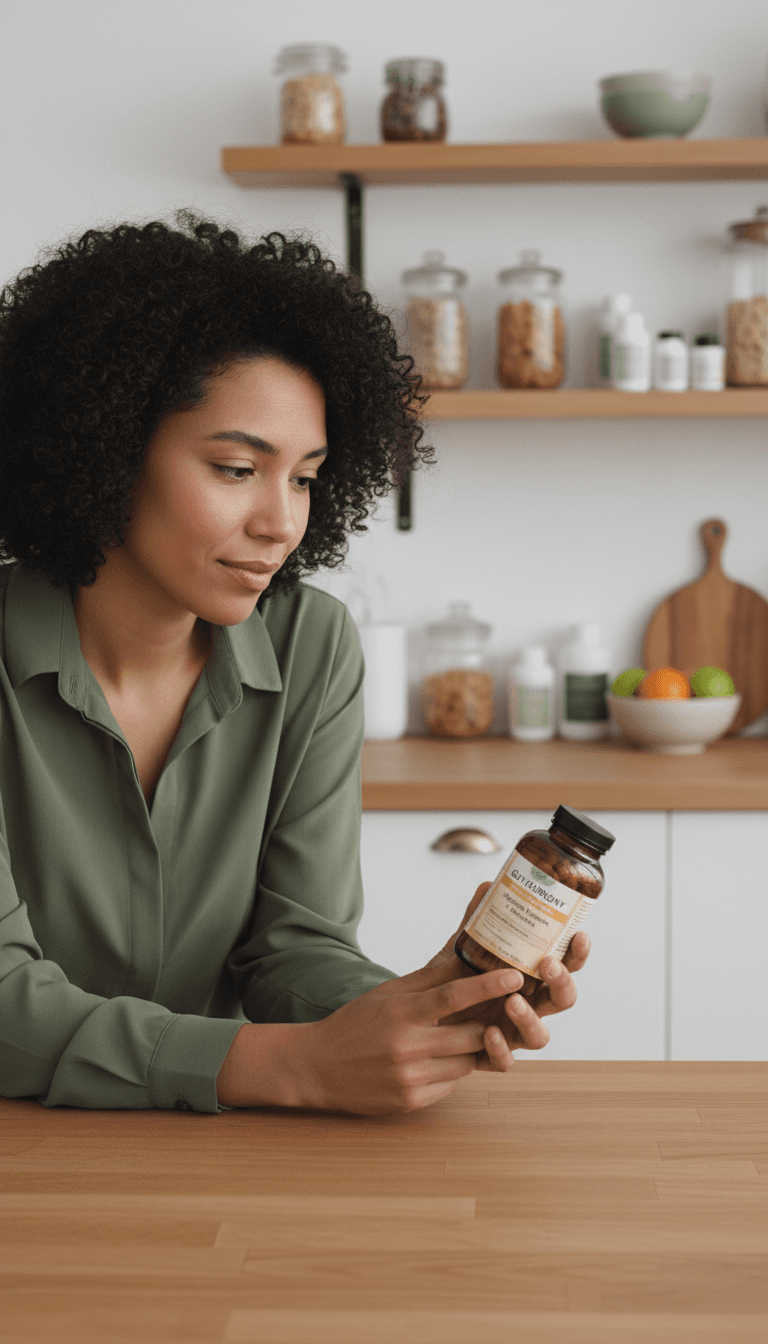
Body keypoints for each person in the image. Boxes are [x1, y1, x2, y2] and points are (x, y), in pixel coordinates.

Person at [0, 213, 589, 1117]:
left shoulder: (311, 646)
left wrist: (415, 1008)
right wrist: (283, 1067)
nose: (281, 522)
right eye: (238, 468)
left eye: (306, 476)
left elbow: (292, 947)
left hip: (222, 1165)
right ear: (107, 451)